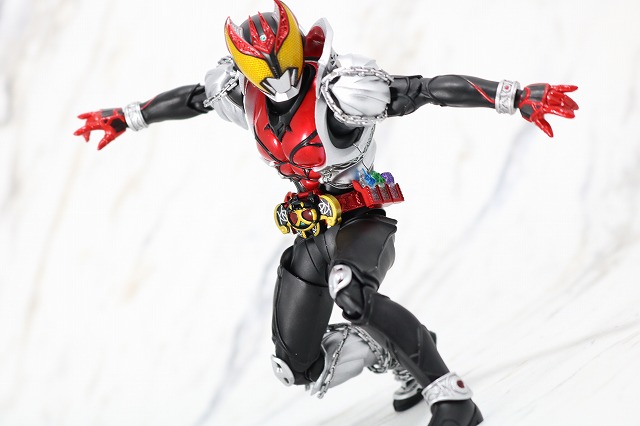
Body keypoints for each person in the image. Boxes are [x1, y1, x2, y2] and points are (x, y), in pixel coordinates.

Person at [74, 1, 578, 424]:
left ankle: (451, 396)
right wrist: (128, 116)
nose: (279, 75)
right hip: (313, 230)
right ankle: (388, 349)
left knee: (349, 289)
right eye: (264, 67)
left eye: (284, 59)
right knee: (296, 367)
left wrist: (512, 96)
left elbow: (423, 90)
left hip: (361, 215)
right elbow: (191, 99)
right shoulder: (240, 96)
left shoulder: (341, 89)